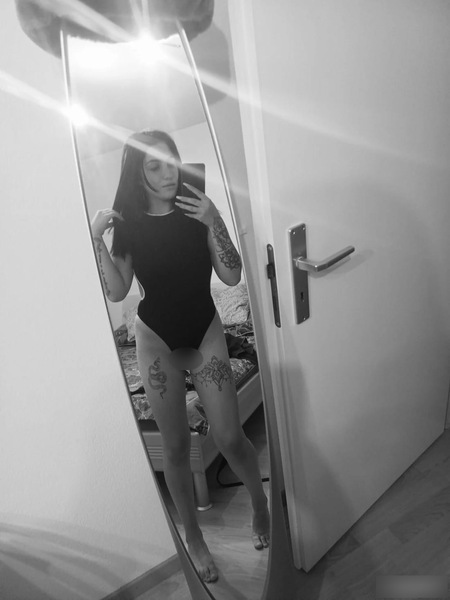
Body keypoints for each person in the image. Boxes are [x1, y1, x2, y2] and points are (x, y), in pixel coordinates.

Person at [90, 130, 270, 583]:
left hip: (204, 331)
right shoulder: (129, 226)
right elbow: (117, 291)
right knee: (173, 447)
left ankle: (261, 504)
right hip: (155, 338)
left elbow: (232, 277)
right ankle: (194, 537)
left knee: (229, 436)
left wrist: (215, 219)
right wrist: (95, 239)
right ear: (138, 174)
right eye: (154, 165)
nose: (167, 172)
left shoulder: (198, 211)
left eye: (171, 161)